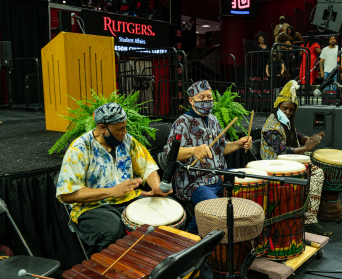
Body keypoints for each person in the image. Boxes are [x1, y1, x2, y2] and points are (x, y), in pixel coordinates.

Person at [56, 103, 171, 251]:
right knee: (112, 229)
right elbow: (67, 195)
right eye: (119, 129)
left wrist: (156, 186)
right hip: (92, 207)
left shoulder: (127, 140)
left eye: (125, 127)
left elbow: (147, 166)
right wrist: (111, 192)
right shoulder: (80, 148)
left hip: (128, 199)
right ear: (103, 128)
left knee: (163, 210)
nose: (124, 132)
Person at [164, 80, 252, 235]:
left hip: (219, 175)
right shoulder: (181, 123)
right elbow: (171, 154)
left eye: (209, 97)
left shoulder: (213, 119)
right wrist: (193, 150)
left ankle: (241, 232)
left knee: (248, 182)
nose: (206, 101)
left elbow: (222, 147)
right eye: (201, 97)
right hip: (194, 182)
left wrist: (239, 144)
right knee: (213, 206)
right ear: (191, 100)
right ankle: (192, 236)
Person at [260, 80, 332, 236]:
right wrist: (306, 147)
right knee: (317, 173)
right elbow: (282, 151)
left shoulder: (286, 121)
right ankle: (310, 220)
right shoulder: (271, 127)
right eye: (285, 108)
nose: (288, 112)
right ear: (278, 106)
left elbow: (296, 133)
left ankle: (309, 208)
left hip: (287, 161)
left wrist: (308, 139)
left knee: (316, 158)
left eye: (291, 110)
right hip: (275, 164)